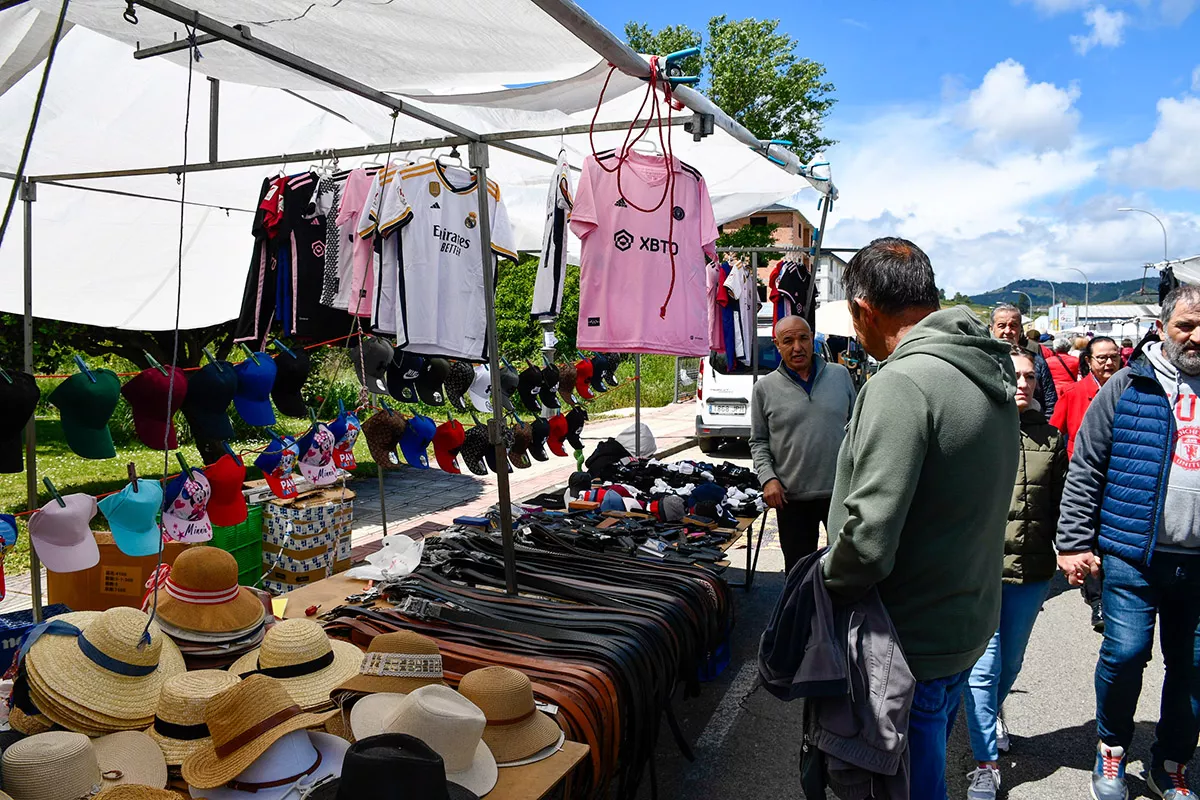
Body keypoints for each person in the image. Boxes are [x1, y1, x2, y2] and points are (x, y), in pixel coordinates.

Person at [823, 237, 1019, 800]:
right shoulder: (985, 368)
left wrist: (830, 581)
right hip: (963, 617)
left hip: (907, 636)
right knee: (926, 753)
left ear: (864, 309)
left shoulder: (903, 382)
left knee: (905, 778)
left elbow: (870, 537)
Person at [1057, 284, 1200, 800]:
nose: (1196, 336)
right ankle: (1112, 746)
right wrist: (1072, 542)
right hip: (1132, 554)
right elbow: (1087, 467)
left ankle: (1171, 761)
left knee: (1193, 667)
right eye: (1186, 325)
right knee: (1126, 652)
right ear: (1162, 328)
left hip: (1198, 564)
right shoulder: (1126, 385)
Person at [964, 346, 1068, 800]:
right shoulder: (973, 429)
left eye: (1029, 376)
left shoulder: (1053, 440)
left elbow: (1067, 507)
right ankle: (985, 763)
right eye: (1014, 375)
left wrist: (1077, 549)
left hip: (1032, 574)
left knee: (1010, 664)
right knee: (982, 670)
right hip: (979, 573)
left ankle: (990, 711)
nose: (1022, 383)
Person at [750, 316, 856, 575]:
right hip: (792, 498)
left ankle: (839, 617)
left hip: (840, 495)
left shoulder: (840, 376)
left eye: (803, 338)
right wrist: (768, 479)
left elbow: (858, 429)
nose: (797, 347)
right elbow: (759, 441)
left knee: (845, 570)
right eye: (788, 341)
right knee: (798, 574)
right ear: (778, 345)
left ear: (812, 340)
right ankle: (801, 617)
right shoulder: (764, 389)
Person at [1050, 336, 1122, 633]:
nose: (1108, 363)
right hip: (1084, 479)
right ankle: (1097, 602)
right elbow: (1055, 433)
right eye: (1101, 358)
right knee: (1089, 540)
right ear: (1089, 361)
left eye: (1114, 357)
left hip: (1120, 479)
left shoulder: (1132, 392)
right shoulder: (1074, 393)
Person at [990, 304, 1057, 419]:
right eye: (1002, 326)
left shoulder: (1037, 362)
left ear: (1020, 329)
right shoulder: (983, 360)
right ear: (991, 329)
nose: (1008, 331)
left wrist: (1043, 430)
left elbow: (1050, 402)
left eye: (1013, 326)